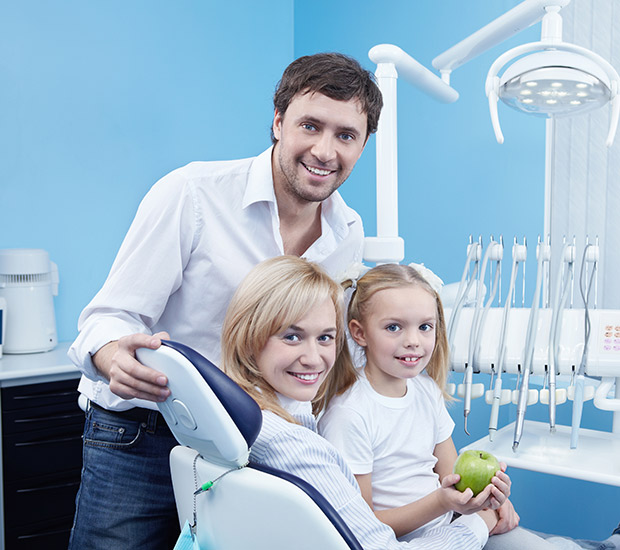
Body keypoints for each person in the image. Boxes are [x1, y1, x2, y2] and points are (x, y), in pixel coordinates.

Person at [67, 52, 383, 549]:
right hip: (142, 431)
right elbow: (108, 317)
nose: (325, 150)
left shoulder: (347, 232)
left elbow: (323, 346)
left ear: (364, 145)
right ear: (278, 123)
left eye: (346, 135)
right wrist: (111, 355)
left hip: (245, 443)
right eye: (310, 126)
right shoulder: (192, 194)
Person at [318, 263, 620, 550]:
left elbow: (455, 478)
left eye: (425, 327)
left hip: (451, 524)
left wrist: (490, 498)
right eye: (394, 327)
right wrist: (444, 503)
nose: (414, 341)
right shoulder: (350, 415)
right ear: (359, 332)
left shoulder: (424, 391)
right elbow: (362, 527)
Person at [221, 255, 501, 550]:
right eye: (292, 336)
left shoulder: (283, 417)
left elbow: (451, 479)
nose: (314, 358)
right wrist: (477, 521)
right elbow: (371, 536)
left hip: (448, 524)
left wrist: (482, 501)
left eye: (326, 337)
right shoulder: (314, 435)